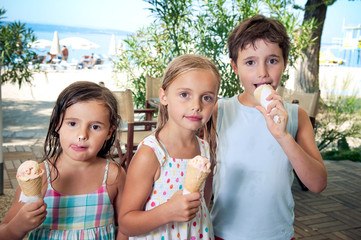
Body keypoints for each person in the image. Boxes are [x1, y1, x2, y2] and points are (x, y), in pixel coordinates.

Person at [209, 15, 328, 240]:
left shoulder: (297, 117)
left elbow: (318, 184)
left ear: (284, 63)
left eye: (272, 60)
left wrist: (283, 137)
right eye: (250, 62)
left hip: (278, 235)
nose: (262, 72)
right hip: (223, 233)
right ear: (235, 66)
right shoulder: (219, 111)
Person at [0, 81, 127, 240]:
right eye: (72, 123)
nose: (82, 135)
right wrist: (17, 226)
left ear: (109, 132)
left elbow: (125, 227)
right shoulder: (40, 176)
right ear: (57, 124)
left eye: (95, 127)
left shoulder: (113, 176)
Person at [118, 54, 220, 239]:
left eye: (206, 98)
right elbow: (126, 223)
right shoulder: (151, 154)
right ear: (164, 96)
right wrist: (168, 211)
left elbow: (203, 201)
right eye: (184, 95)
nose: (196, 106)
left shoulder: (205, 151)